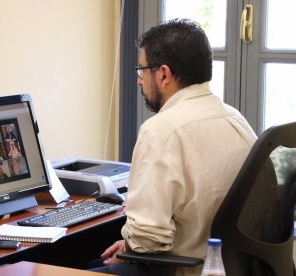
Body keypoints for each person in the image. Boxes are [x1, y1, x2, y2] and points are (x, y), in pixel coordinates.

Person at [90, 19, 257, 276]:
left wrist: (130, 243)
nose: (139, 81)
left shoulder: (160, 131)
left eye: (142, 70)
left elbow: (147, 242)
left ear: (164, 74)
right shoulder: (235, 119)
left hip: (184, 269)